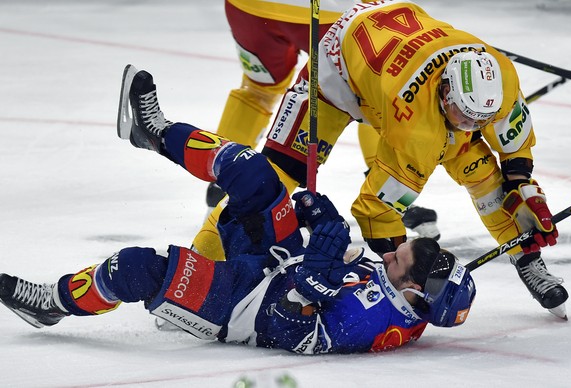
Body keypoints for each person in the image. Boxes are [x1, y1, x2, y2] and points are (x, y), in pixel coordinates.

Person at [0, 66, 476, 354]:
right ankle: (156, 132)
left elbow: (288, 331)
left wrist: (314, 277)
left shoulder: (376, 323)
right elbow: (341, 270)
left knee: (133, 268)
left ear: (416, 291)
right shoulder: (409, 292)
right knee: (252, 169)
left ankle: (52, 303)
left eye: (397, 259)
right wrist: (323, 223)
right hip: (277, 262)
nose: (389, 254)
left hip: (240, 308)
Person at [251, 1, 567, 318]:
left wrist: (523, 188)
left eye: (479, 121)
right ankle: (226, 256)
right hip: (338, 73)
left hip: (394, 27)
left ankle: (527, 258)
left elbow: (512, 146)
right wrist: (406, 274)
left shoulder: (501, 79)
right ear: (445, 90)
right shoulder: (416, 129)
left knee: (485, 176)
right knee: (274, 176)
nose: (471, 128)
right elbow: (376, 208)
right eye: (463, 115)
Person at [202, 0, 439, 237]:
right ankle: (387, 198)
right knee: (370, 90)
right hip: (334, 13)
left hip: (249, 9)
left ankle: (223, 183)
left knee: (258, 90)